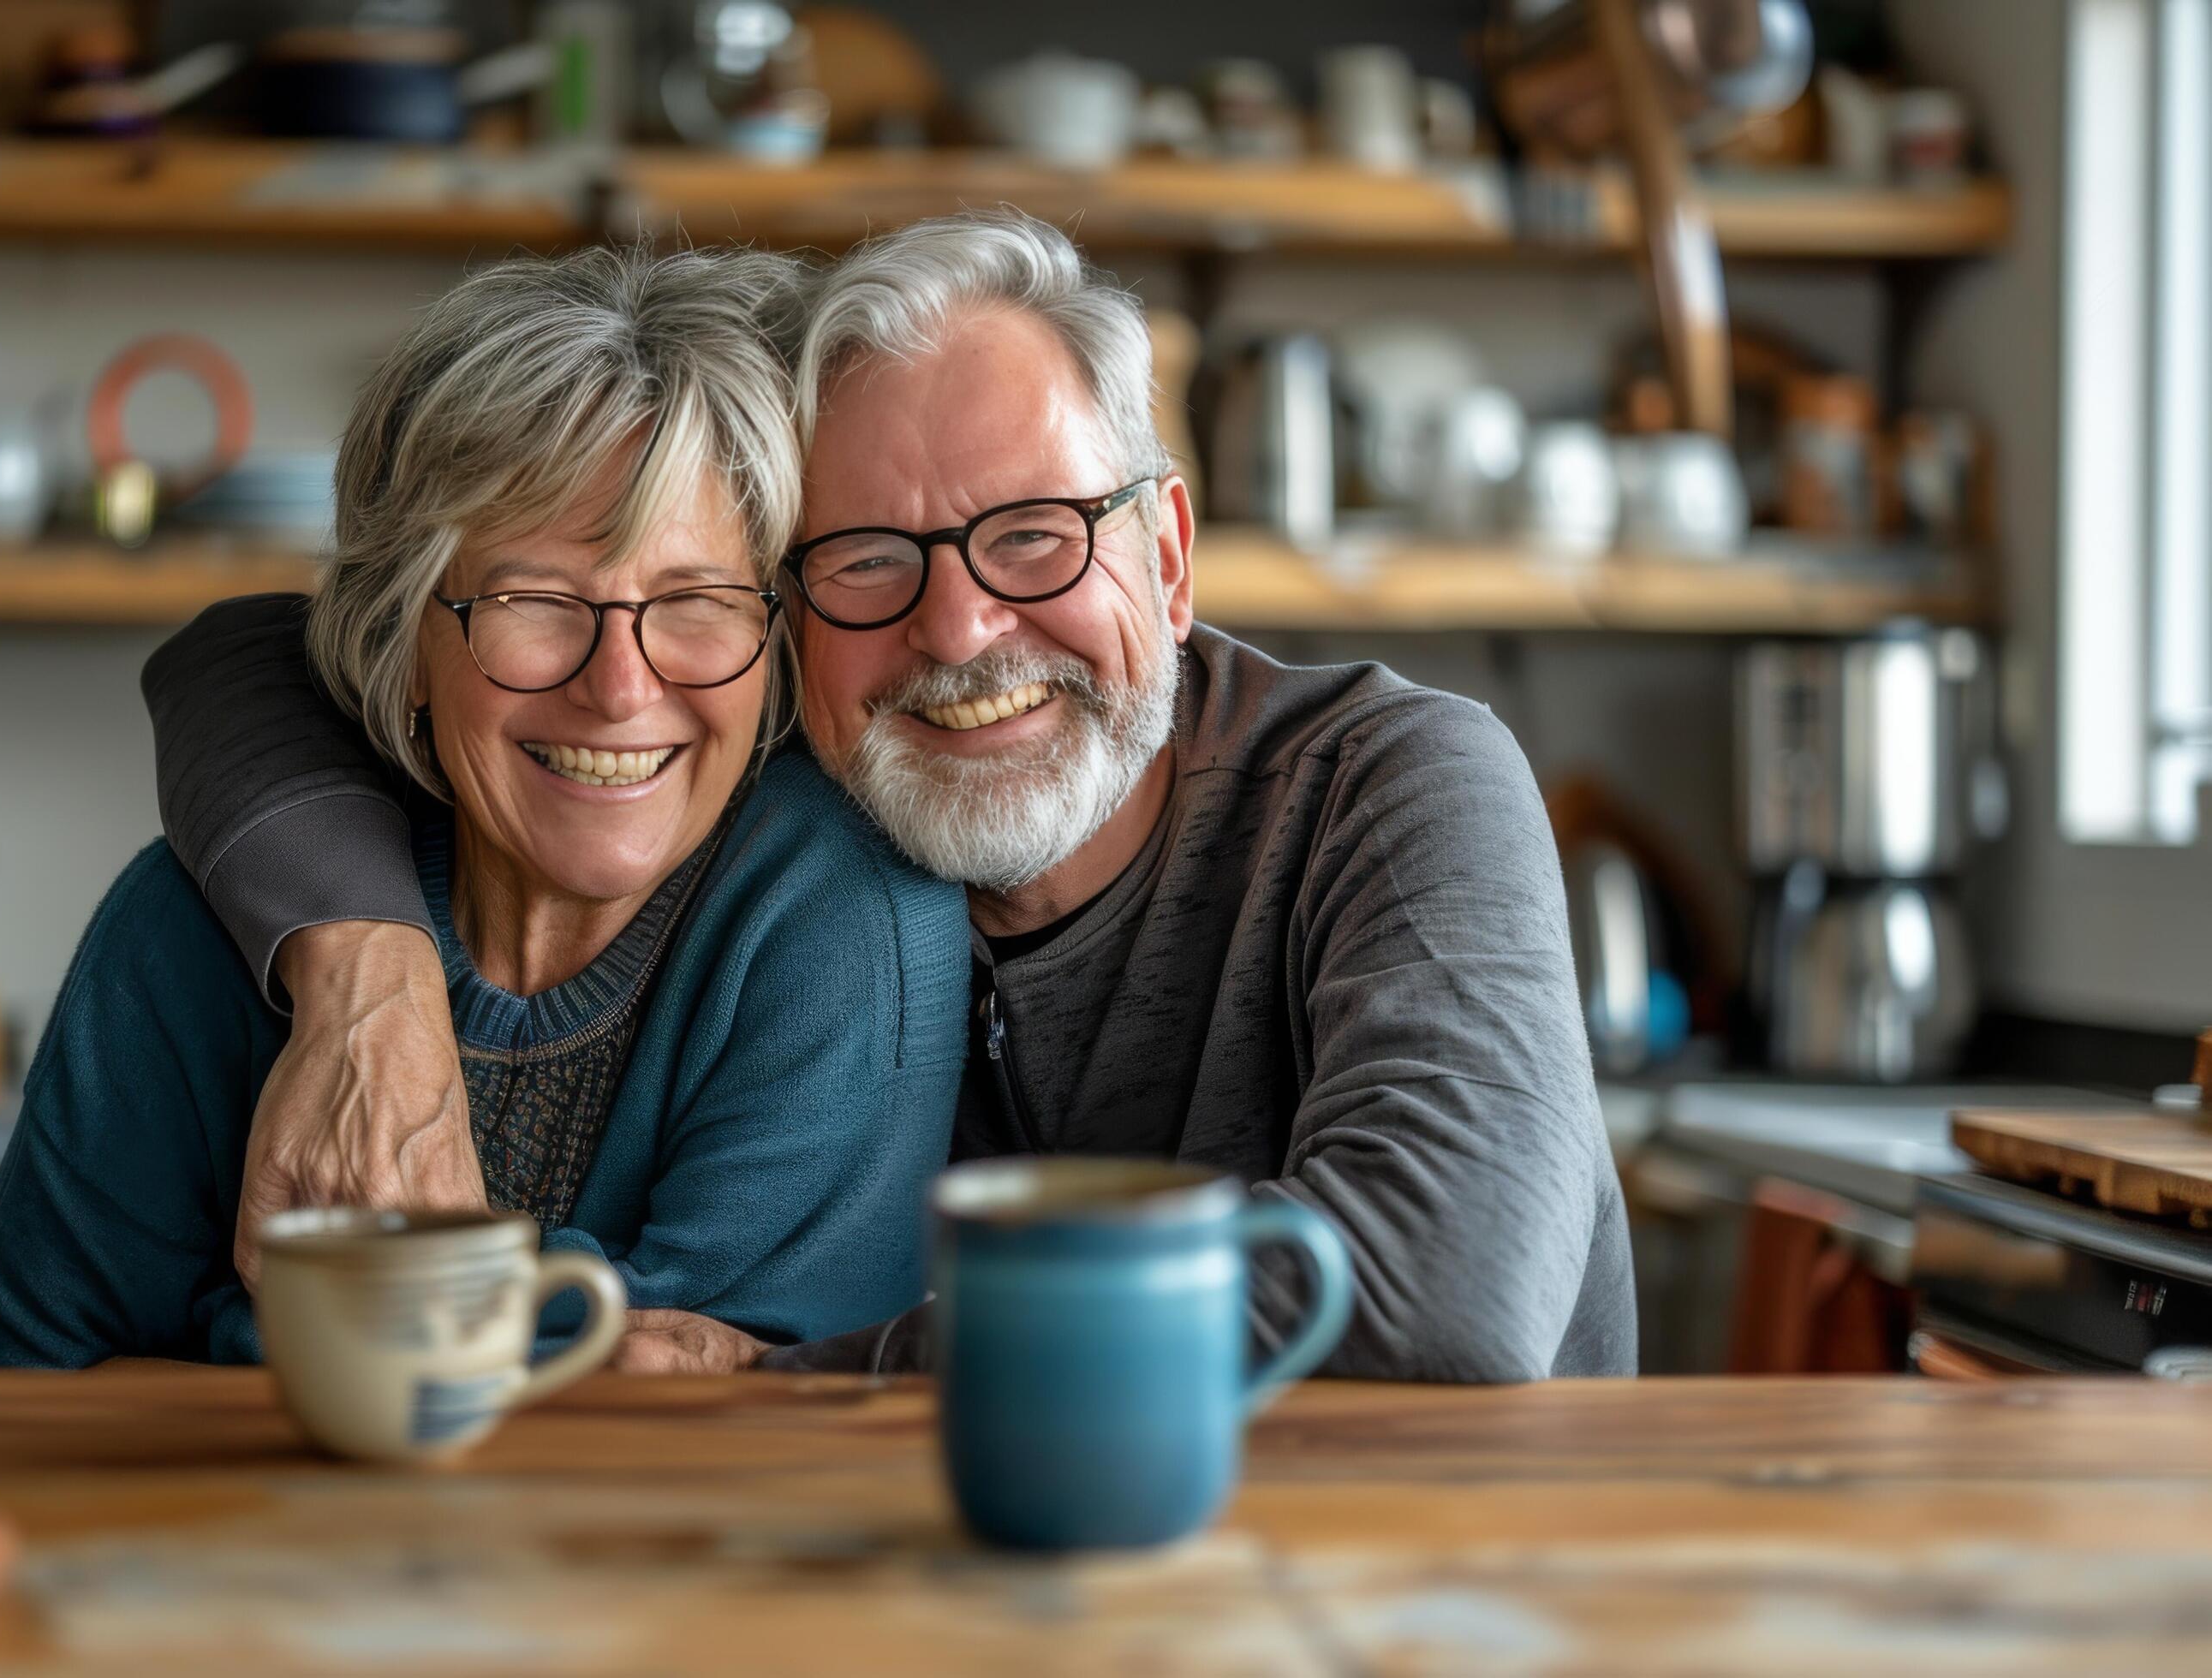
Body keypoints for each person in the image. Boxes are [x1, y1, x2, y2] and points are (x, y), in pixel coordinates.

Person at [140, 211, 1637, 1383]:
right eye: (866, 560)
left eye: (1039, 536)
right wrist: (365, 978)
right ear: (781, 611)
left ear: (1168, 557)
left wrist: (820, 1375)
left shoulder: (1391, 782)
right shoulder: (782, 780)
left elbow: (1441, 1292)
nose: (960, 631)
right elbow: (250, 657)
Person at [0, 246, 969, 1367]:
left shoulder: (844, 914)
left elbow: (720, 1416)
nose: (618, 686)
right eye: (533, 600)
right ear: (404, 639)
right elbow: (9, 1388)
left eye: (696, 601)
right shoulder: (191, 931)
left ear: (772, 636)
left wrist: (246, 1337)